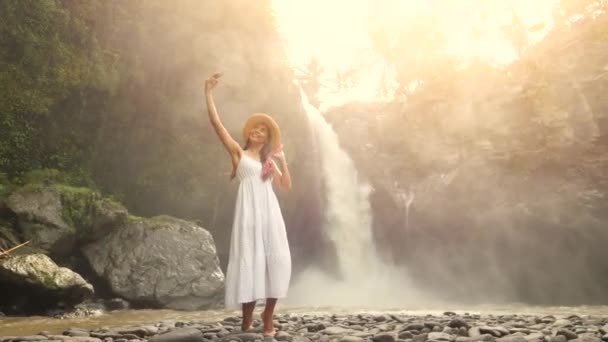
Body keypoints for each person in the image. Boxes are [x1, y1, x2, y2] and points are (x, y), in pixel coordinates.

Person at [204, 73, 292, 336]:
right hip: (248, 215)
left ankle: (268, 316)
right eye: (255, 128)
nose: (257, 131)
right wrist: (207, 92)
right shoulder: (239, 154)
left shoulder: (270, 163)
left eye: (262, 130)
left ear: (266, 138)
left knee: (277, 259)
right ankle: (246, 318)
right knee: (249, 259)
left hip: (269, 213)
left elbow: (286, 186)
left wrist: (282, 159)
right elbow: (217, 125)